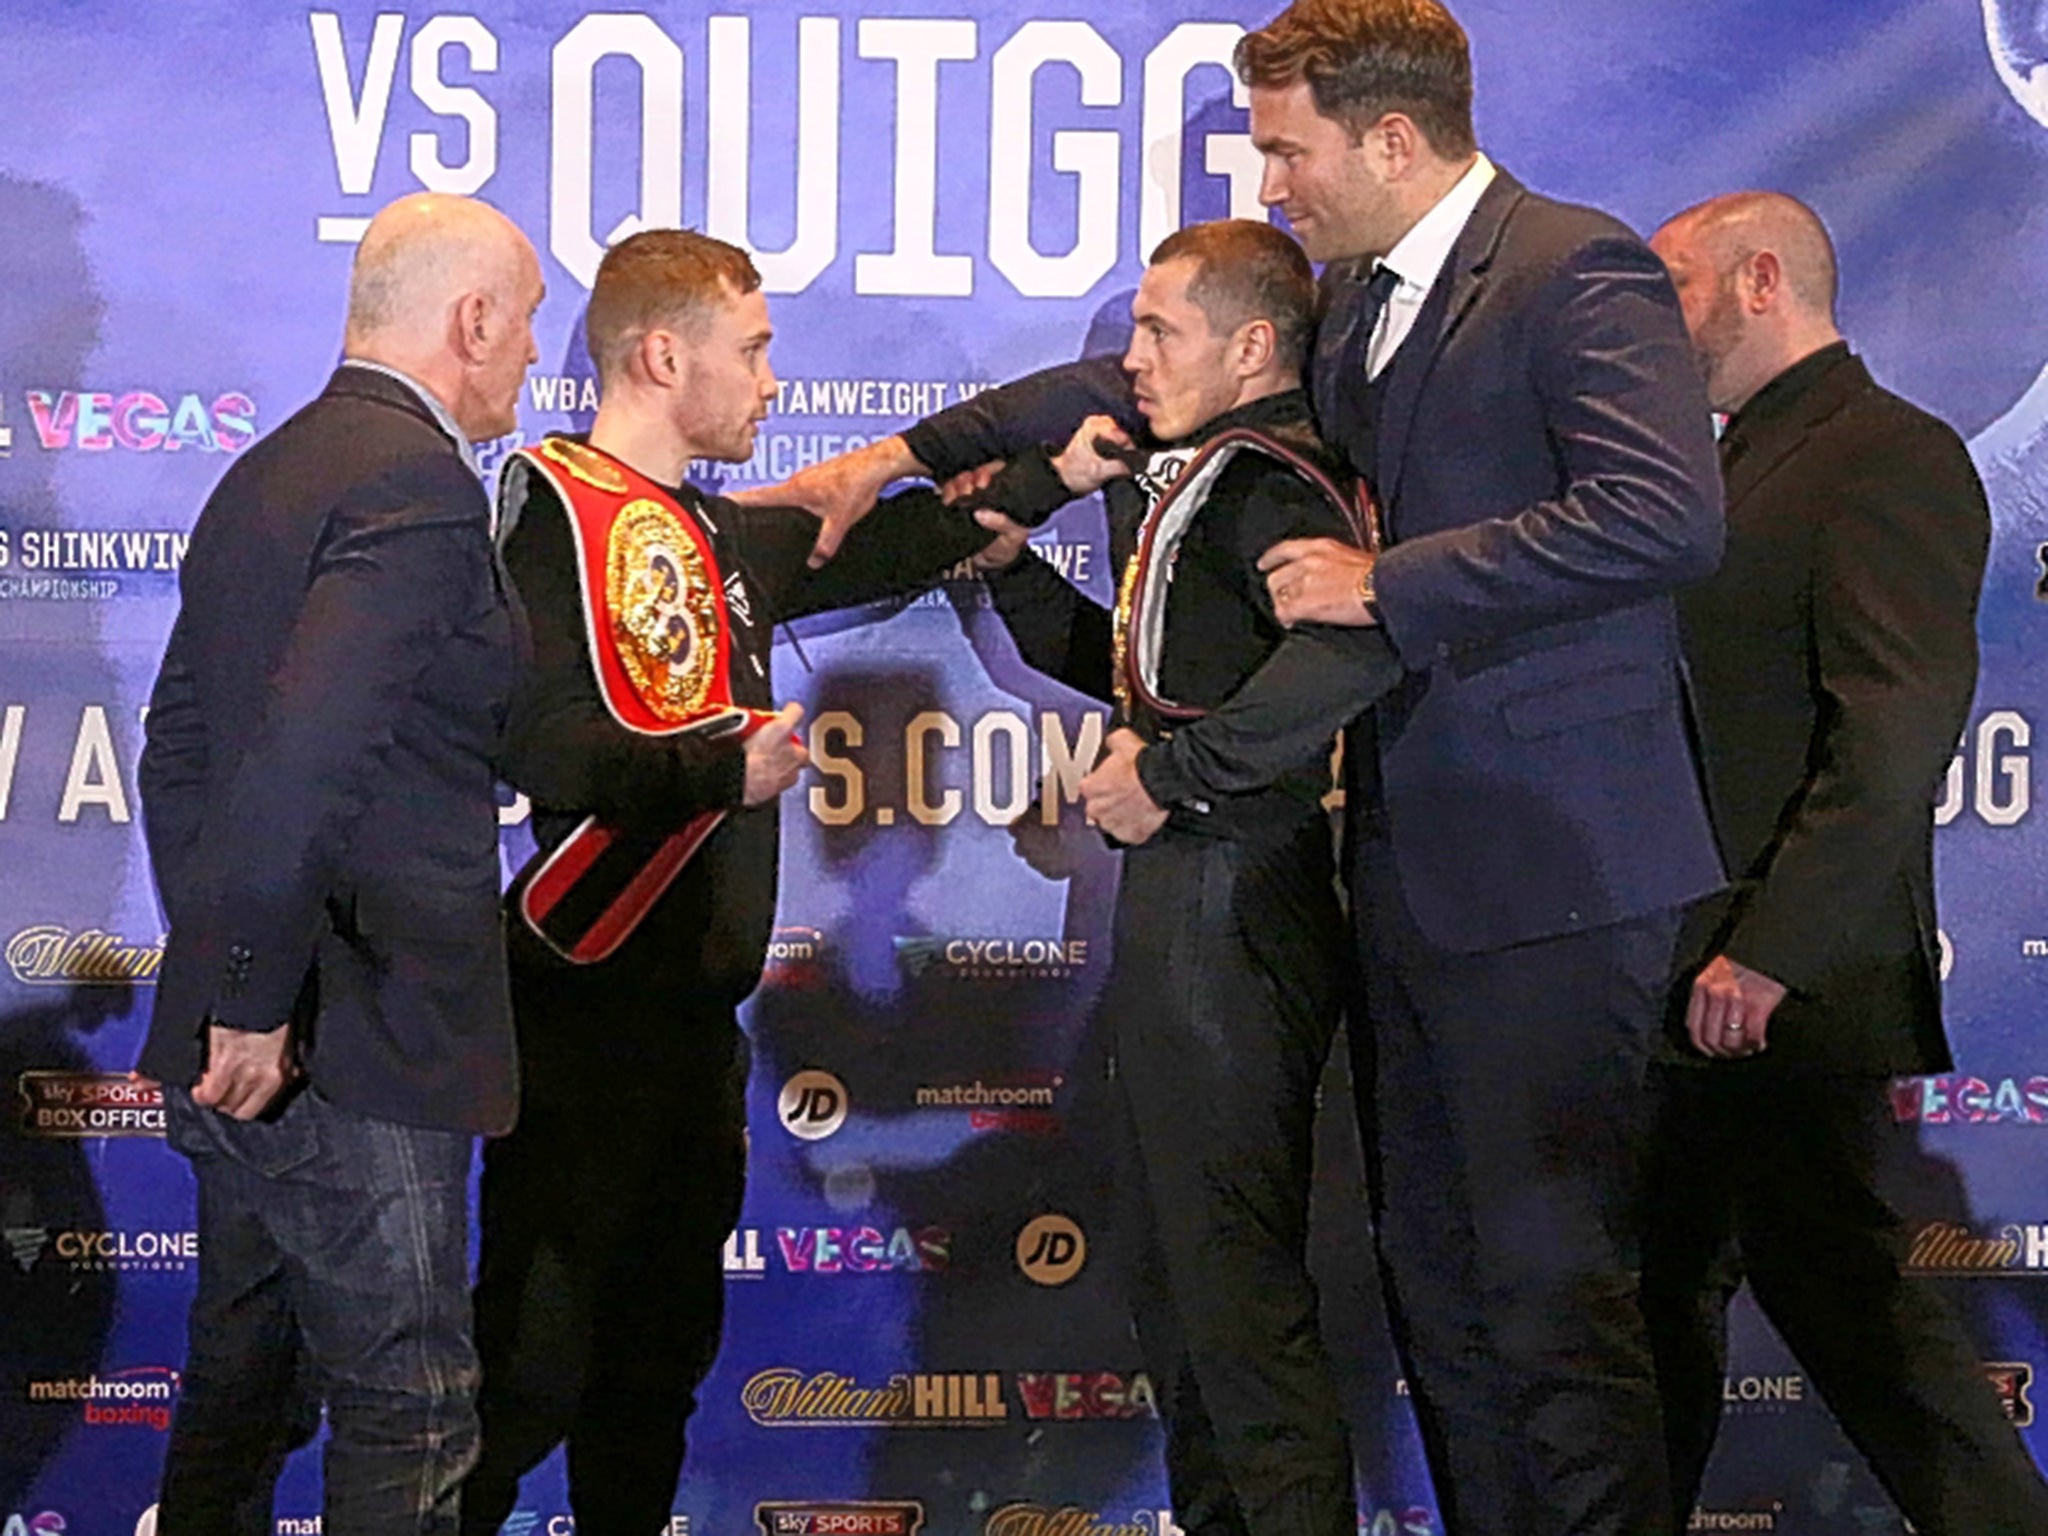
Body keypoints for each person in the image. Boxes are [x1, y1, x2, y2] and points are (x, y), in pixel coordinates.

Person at [766, 5, 1725, 1533]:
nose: (1273, 181)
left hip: (1557, 872)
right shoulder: (1357, 308)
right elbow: (1080, 404)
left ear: (1392, 137)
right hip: (1411, 871)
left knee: (1553, 1294)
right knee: (1446, 1297)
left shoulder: (1571, 269)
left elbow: (1667, 517)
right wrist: (877, 469)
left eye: (1287, 148)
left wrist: (1388, 583)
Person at [459, 229, 1002, 1536]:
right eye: (751, 352)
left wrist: (1034, 473)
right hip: (577, 1011)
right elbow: (534, 743)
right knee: (528, 1374)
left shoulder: (710, 533)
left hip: (693, 1028)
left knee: (655, 1374)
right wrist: (713, 770)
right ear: (661, 355)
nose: (770, 381)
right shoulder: (552, 510)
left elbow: (877, 545)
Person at [944, 218, 1400, 1535]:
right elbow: (1157, 676)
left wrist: (1179, 778)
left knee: (1232, 1287)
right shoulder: (1199, 478)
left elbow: (1348, 661)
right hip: (1194, 902)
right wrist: (1010, 579)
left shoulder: (1271, 485)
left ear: (1252, 343)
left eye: (1160, 333)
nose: (1130, 360)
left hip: (1236, 897)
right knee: (1184, 1282)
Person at [1641, 192, 2048, 1536]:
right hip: (1697, 979)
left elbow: (1894, 731)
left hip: (1780, 991)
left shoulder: (1887, 454)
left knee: (1860, 1317)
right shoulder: (1730, 458)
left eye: (1677, 286)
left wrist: (1769, 951)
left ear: (1760, 281)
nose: (1656, 318)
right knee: (1660, 1317)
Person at [136, 193, 542, 1534]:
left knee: (247, 1377)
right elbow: (306, 754)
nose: (537, 357)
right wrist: (253, 993)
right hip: (347, 1041)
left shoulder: (271, 467)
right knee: (409, 1400)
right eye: (530, 324)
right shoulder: (416, 486)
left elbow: (179, 748)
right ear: (472, 321)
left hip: (254, 1028)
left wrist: (217, 970)